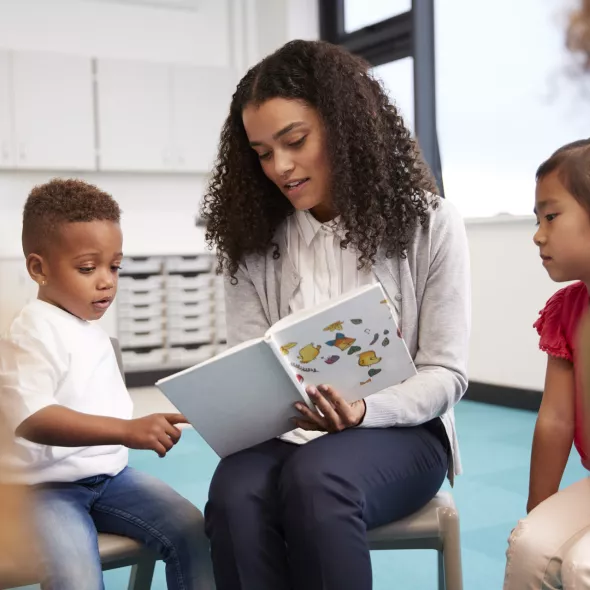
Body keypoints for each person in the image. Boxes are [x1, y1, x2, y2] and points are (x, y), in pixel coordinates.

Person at [201, 39, 470, 590]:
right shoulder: (251, 241)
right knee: (233, 492)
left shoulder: (431, 224)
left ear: (344, 126)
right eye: (261, 152)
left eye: (294, 140)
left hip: (403, 430)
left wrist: (364, 409)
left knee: (318, 479)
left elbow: (446, 372)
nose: (280, 166)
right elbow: (249, 361)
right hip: (290, 432)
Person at [0, 179, 214, 590]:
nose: (106, 281)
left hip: (110, 478)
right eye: (87, 268)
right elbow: (33, 418)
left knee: (193, 531)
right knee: (77, 576)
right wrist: (127, 430)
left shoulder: (85, 323)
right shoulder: (30, 331)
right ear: (38, 269)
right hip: (43, 490)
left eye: (114, 266)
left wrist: (139, 427)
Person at [503, 139, 590, 589]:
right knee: (530, 545)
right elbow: (556, 420)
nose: (538, 234)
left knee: (582, 565)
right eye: (537, 219)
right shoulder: (569, 310)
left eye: (551, 216)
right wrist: (538, 511)